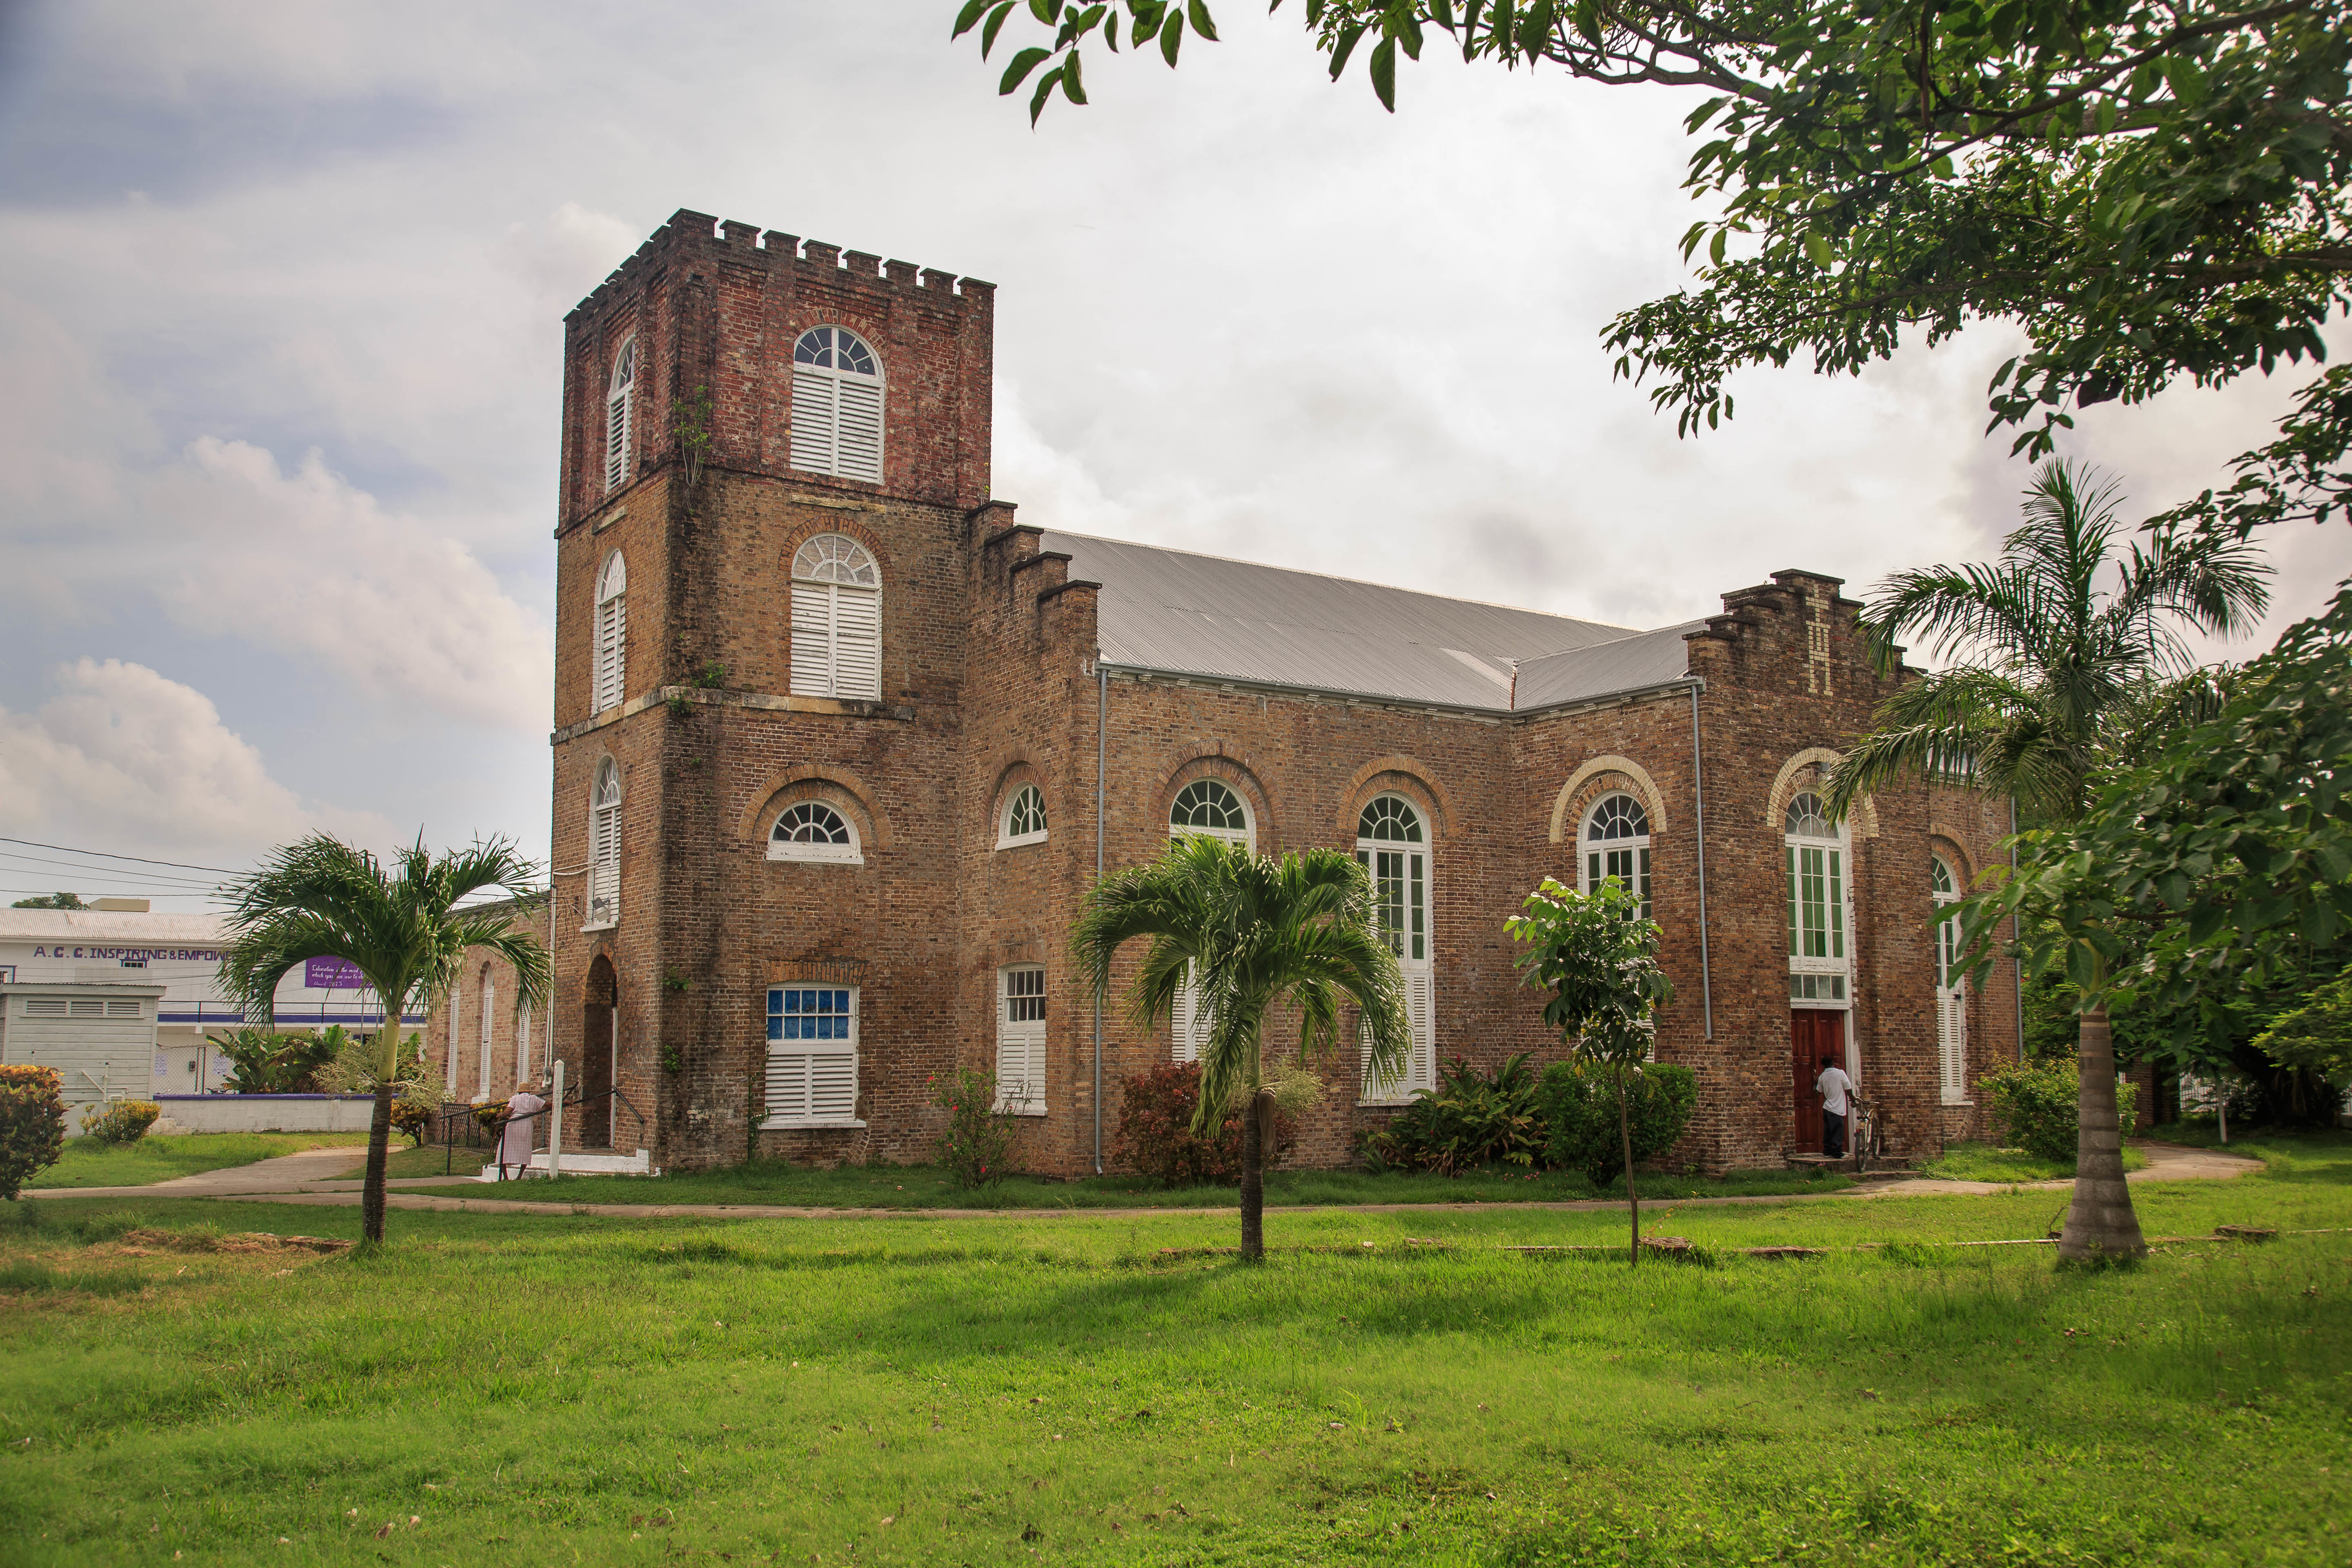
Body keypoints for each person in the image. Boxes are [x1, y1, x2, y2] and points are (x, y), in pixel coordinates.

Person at [499, 1080, 546, 1180]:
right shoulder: (534, 1098)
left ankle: (506, 1177)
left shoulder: (515, 1098)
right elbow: (546, 1105)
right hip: (527, 1124)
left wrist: (502, 1115)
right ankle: (519, 1176)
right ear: (529, 1092)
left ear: (519, 1092)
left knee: (505, 1147)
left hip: (514, 1123)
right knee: (525, 1148)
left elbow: (508, 1111)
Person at [1815, 1054, 1854, 1159]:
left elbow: (1819, 1091)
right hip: (1837, 1107)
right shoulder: (1840, 1073)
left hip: (1827, 1107)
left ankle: (1827, 1151)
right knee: (1838, 1130)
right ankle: (1837, 1152)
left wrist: (1816, 1082)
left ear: (1824, 1066)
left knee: (1828, 1130)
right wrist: (1852, 1098)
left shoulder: (1822, 1076)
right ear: (1833, 1064)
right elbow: (1848, 1088)